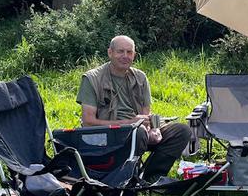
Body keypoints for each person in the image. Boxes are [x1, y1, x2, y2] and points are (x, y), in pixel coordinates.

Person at [77, 35, 191, 181]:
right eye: (120, 51)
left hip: (139, 130)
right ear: (110, 53)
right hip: (108, 134)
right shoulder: (92, 79)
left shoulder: (140, 78)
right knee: (138, 133)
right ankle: (128, 178)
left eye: (129, 52)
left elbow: (146, 114)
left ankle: (152, 177)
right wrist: (131, 123)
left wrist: (154, 130)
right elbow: (88, 122)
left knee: (181, 131)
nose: (125, 56)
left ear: (134, 55)